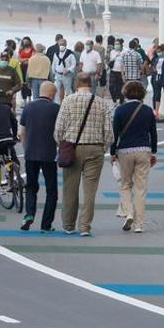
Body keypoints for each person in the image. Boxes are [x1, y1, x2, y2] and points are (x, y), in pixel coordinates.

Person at [54, 72, 115, 236]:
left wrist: (62, 145)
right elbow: (109, 133)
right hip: (95, 149)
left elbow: (58, 129)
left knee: (70, 188)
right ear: (91, 84)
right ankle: (85, 227)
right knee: (90, 191)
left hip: (72, 148)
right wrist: (103, 148)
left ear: (76, 85)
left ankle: (68, 225)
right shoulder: (102, 103)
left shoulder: (67, 101)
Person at [110, 81, 159, 234]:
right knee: (140, 188)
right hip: (144, 149)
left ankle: (129, 212)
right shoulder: (147, 110)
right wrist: (153, 152)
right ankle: (139, 225)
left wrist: (112, 152)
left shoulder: (119, 110)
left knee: (125, 185)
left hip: (124, 151)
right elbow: (153, 133)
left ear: (125, 93)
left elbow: (115, 134)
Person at [18, 82, 60, 231]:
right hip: (48, 154)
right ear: (51, 94)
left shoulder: (28, 107)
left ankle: (29, 214)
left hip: (30, 153)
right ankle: (46, 224)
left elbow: (21, 132)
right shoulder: (56, 108)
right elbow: (60, 132)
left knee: (31, 186)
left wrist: (26, 147)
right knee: (51, 190)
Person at [51, 39, 78, 103]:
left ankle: (71, 104)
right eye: (60, 44)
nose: (61, 46)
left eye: (63, 44)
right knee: (56, 90)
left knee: (68, 91)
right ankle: (57, 104)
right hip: (57, 75)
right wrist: (54, 72)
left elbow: (73, 64)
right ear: (58, 45)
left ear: (66, 45)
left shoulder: (70, 54)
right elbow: (54, 63)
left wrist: (68, 70)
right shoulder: (56, 53)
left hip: (67, 75)